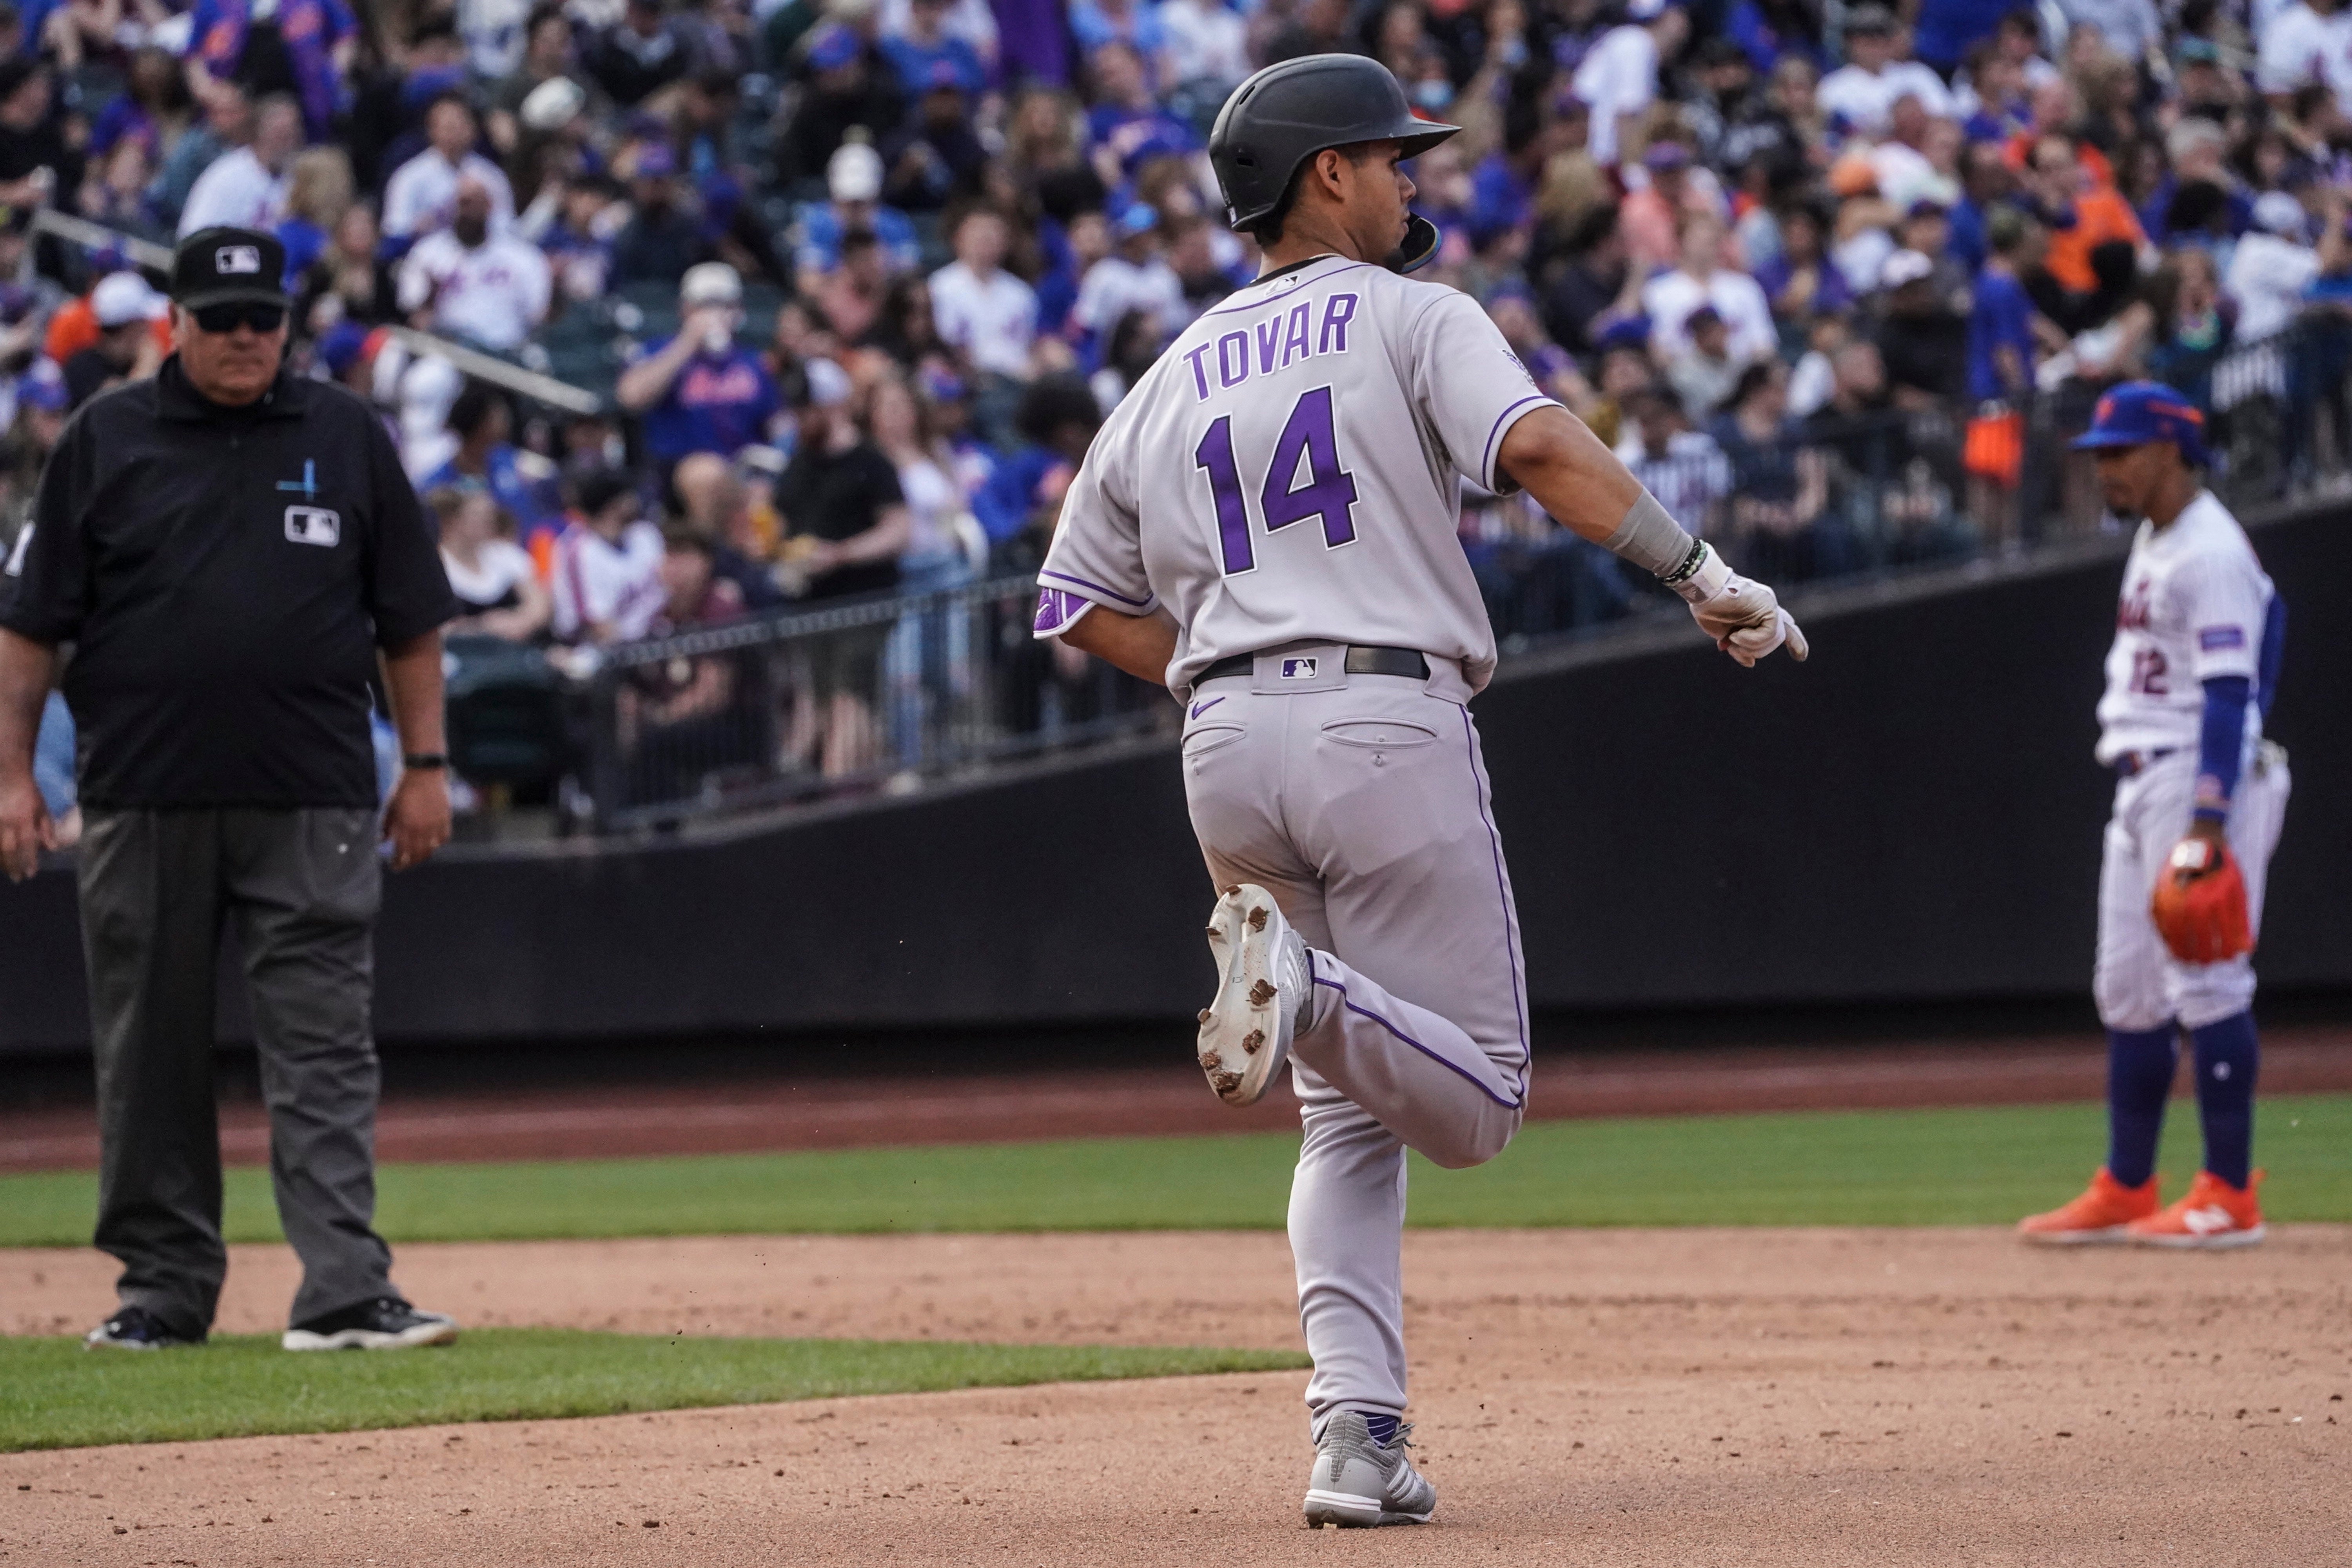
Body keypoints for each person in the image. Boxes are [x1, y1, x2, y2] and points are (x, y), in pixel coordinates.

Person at [1033, 56, 1804, 1531]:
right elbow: (1537, 448)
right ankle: (1307, 989)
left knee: (1342, 1124)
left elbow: (1071, 604)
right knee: (1481, 1098)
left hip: (1221, 739)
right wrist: (1701, 574)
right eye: (1392, 159)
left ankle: (1356, 1437)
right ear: (1326, 174)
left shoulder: (1161, 376)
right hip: (1380, 711)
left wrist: (1216, 671)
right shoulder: (1407, 313)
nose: (1411, 181)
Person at [0, 227, 462, 1353]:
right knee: (148, 1049)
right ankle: (163, 1291)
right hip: (141, 795)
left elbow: (410, 619)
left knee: (324, 1047)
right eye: (223, 319)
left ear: (289, 324)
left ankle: (347, 1292)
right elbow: (28, 629)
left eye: (265, 318)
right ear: (178, 323)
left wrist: (429, 767)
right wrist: (11, 772)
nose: (246, 338)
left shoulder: (347, 433)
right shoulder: (106, 438)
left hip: (313, 793)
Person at [2018, 383, 2290, 1248]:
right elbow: (2275, 616)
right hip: (2141, 776)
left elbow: (2228, 689)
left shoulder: (2208, 548)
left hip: (2191, 778)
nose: (2107, 466)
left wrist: (2211, 817)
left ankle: (2228, 1192)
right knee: (2128, 991)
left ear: (2172, 450)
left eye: (2121, 451)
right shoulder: (2158, 536)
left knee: (2207, 978)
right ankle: (2130, 1185)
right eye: (2101, 452)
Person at [614, 261, 782, 469]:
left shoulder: (752, 361)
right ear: (685, 309)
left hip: (745, 471)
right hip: (678, 471)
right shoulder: (657, 351)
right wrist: (687, 344)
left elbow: (778, 422)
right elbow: (631, 397)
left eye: (724, 305)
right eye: (705, 306)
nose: (715, 314)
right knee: (704, 472)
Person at [394, 176, 552, 351]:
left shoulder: (522, 256)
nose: (466, 211)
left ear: (489, 206)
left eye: (472, 203)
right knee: (430, 378)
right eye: (462, 203)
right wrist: (431, 297)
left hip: (507, 356)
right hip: (449, 352)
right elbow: (415, 317)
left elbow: (539, 315)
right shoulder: (428, 253)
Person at [381, 93, 517, 246]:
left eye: (460, 126)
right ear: (432, 131)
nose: (454, 134)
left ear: (473, 129)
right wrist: (420, 227)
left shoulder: (491, 175)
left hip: (482, 259)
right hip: (426, 261)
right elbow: (395, 232)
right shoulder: (410, 176)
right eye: (448, 127)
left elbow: (506, 229)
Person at [550, 468, 665, 643]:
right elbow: (599, 629)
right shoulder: (578, 550)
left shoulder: (645, 534)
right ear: (614, 504)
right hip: (601, 654)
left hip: (658, 640)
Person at [176, 91, 302, 235]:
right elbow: (193, 234)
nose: (288, 145)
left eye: (292, 135)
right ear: (259, 132)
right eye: (281, 135)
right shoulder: (228, 175)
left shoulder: (296, 180)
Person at [62, 272, 170, 410]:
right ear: (132, 327)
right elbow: (121, 409)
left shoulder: (133, 363)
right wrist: (147, 363)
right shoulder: (83, 366)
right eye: (144, 323)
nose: (149, 330)